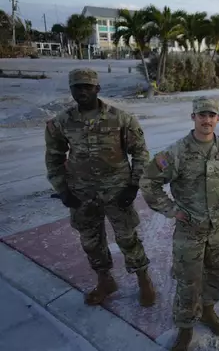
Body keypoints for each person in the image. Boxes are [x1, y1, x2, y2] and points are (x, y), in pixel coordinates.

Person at [139, 96, 219, 351]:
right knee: (188, 280)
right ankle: (186, 327)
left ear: (218, 119)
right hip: (190, 229)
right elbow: (149, 181)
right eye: (202, 115)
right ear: (193, 117)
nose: (207, 120)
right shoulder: (177, 152)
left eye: (211, 115)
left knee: (217, 274)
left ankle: (208, 310)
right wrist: (171, 210)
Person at [44, 67, 155, 307]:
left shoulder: (121, 118)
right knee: (91, 241)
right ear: (71, 90)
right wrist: (63, 190)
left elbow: (140, 153)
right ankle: (105, 281)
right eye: (77, 87)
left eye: (87, 86)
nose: (82, 91)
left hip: (117, 191)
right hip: (81, 194)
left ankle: (143, 279)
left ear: (97, 89)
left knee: (127, 237)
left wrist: (133, 185)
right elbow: (53, 158)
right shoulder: (61, 123)